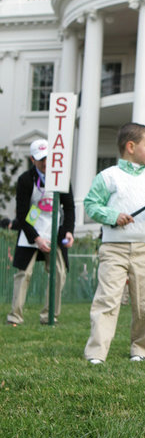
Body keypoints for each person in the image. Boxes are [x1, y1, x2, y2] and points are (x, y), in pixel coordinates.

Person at [83, 122, 145, 364]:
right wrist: (114, 216)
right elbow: (91, 205)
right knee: (107, 299)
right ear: (131, 146)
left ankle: (142, 350)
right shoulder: (108, 177)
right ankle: (96, 353)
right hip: (114, 249)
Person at [7, 139, 75, 326]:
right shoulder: (25, 180)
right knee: (23, 274)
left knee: (59, 272)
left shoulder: (62, 179)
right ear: (32, 159)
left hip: (55, 231)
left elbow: (69, 208)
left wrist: (68, 231)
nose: (45, 163)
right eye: (40, 159)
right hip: (31, 231)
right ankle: (15, 316)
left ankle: (49, 316)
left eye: (48, 158)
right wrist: (36, 238)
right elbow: (21, 213)